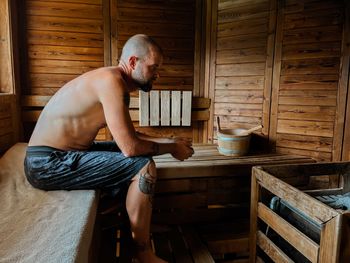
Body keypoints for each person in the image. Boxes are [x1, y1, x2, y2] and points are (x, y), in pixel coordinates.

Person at [24, 34, 194, 263]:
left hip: (57, 156)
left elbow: (127, 137)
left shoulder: (111, 79)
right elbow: (131, 148)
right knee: (143, 167)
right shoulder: (112, 82)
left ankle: (138, 227)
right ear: (133, 62)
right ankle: (143, 253)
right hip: (46, 163)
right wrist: (172, 148)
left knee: (120, 151)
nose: (157, 74)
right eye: (154, 67)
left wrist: (171, 141)